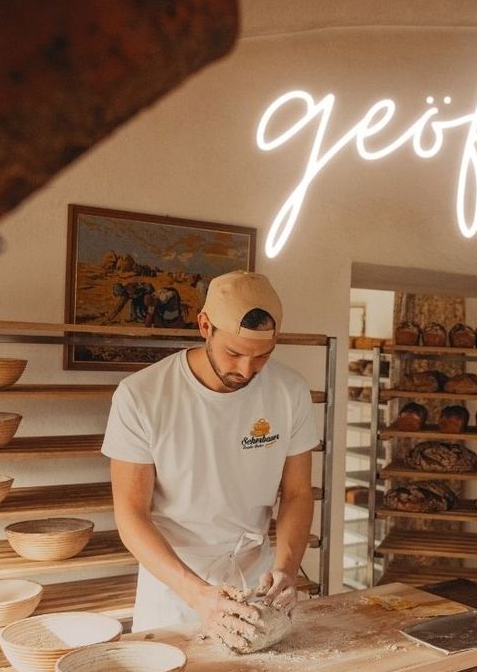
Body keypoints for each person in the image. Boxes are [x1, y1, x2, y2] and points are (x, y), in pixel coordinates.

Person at [102, 271, 318, 639]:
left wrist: (287, 567)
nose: (246, 370)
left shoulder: (290, 391)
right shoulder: (141, 395)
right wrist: (197, 595)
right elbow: (130, 513)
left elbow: (298, 493)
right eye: (233, 352)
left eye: (262, 356)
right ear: (205, 325)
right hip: (175, 584)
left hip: (256, 581)